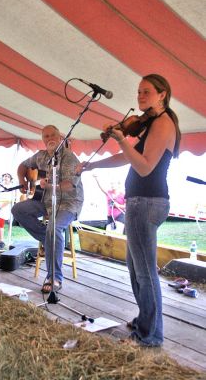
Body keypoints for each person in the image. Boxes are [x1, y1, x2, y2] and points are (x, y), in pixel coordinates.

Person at [77, 74, 181, 347]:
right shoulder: (149, 124)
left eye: (146, 91)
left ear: (162, 94)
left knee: (145, 273)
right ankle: (144, 322)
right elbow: (128, 158)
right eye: (138, 92)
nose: (140, 96)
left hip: (147, 201)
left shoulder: (163, 123)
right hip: (140, 201)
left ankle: (149, 336)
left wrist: (122, 138)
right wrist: (94, 165)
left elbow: (145, 166)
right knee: (136, 270)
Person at [11, 125, 84, 293]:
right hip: (46, 201)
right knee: (18, 210)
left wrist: (50, 185)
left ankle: (54, 278)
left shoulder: (70, 158)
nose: (49, 138)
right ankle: (47, 238)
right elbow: (23, 165)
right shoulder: (41, 156)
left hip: (68, 203)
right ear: (43, 139)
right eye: (46, 136)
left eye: (53, 135)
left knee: (54, 227)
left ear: (60, 138)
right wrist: (22, 180)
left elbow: (69, 186)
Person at [0, 173, 14, 250]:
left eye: (8, 176)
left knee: (0, 224)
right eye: (4, 176)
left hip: (4, 209)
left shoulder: (11, 187)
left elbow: (8, 200)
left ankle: (1, 241)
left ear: (10, 179)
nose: (6, 178)